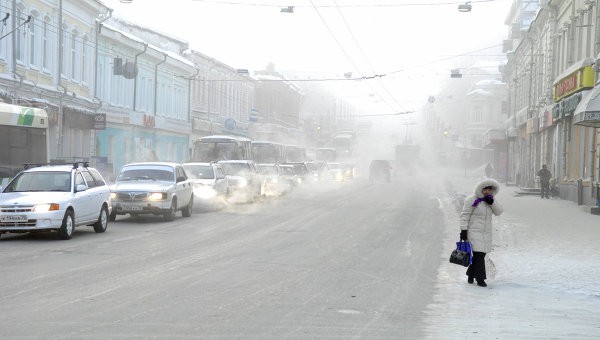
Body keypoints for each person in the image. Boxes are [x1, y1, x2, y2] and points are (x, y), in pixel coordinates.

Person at [459, 178, 504, 287]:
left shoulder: (491, 200)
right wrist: (463, 230)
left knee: (480, 255)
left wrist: (492, 203)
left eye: (489, 189)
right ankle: (480, 279)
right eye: (485, 189)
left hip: (486, 233)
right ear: (480, 189)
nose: (487, 191)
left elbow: (499, 211)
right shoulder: (471, 200)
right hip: (473, 231)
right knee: (479, 254)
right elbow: (465, 215)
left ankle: (470, 274)